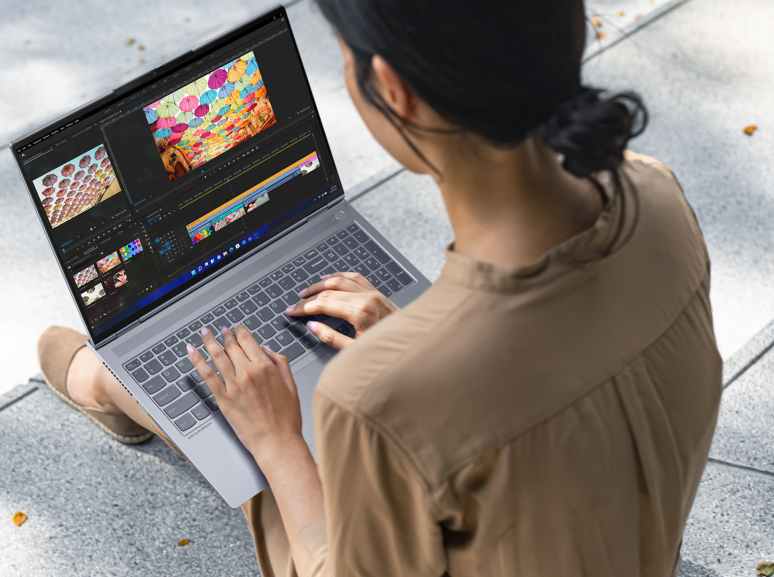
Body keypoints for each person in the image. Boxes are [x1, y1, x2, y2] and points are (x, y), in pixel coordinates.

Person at [37, 0, 722, 574]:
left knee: (260, 444)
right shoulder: (656, 193)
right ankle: (115, 384)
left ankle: (108, 383)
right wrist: (417, 347)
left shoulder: (382, 398)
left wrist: (279, 441)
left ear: (393, 90)